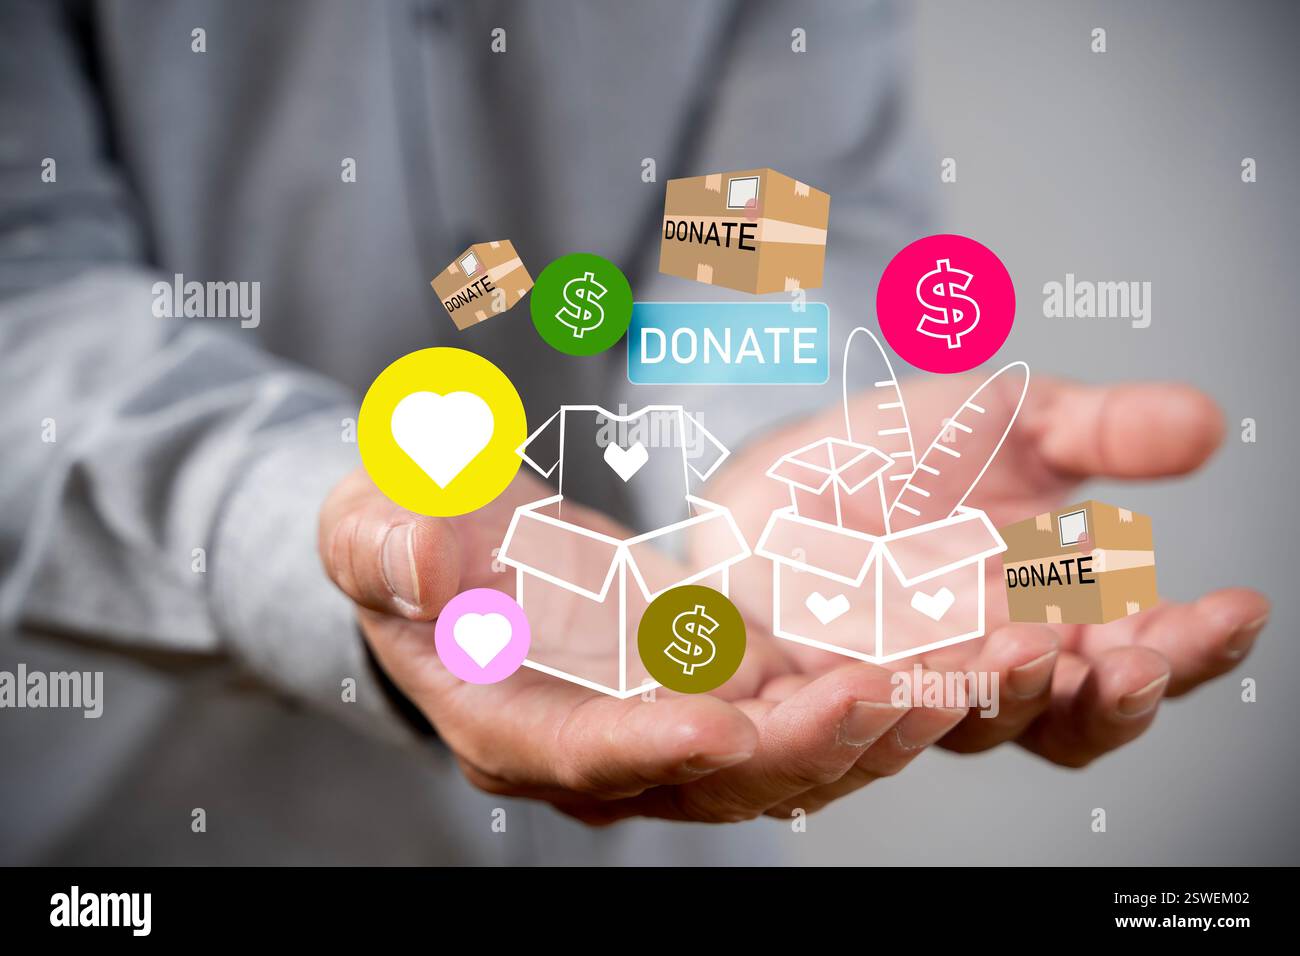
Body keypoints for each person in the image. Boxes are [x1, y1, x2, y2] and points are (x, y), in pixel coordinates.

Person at [0, 0, 1267, 863]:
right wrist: (319, 532)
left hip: (690, 755)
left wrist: (779, 455)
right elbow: (23, 292)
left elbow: (754, 227)